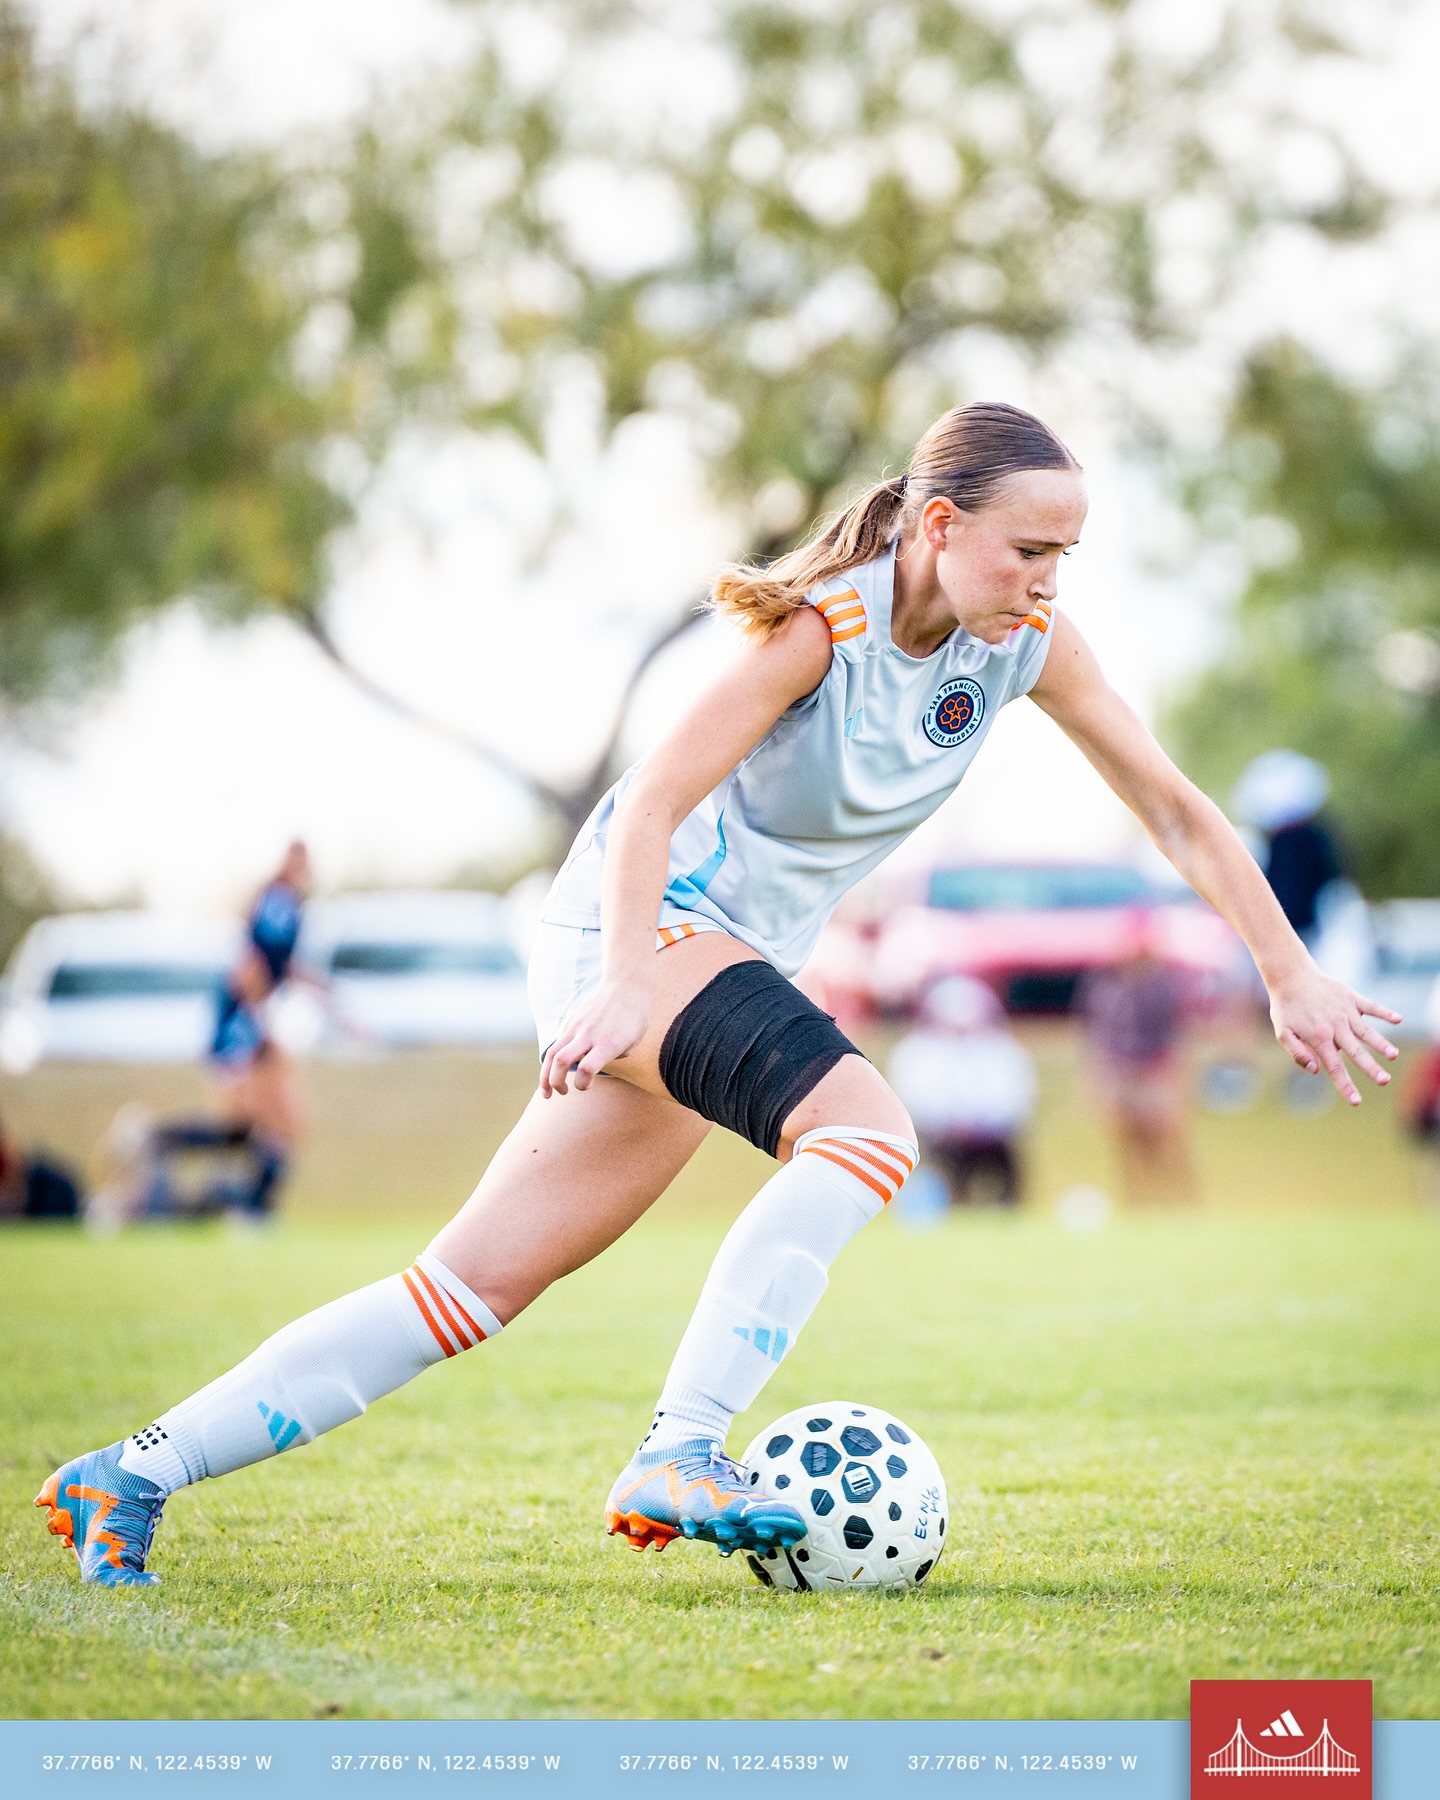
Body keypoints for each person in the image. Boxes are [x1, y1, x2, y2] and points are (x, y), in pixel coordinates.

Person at [35, 402, 1400, 1588]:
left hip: (705, 964)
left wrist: (1288, 970)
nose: (1049, 581)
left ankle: (130, 1472)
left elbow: (1174, 806)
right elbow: (655, 803)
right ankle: (680, 1455)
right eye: (1029, 550)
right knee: (868, 1132)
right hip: (633, 935)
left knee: (462, 1294)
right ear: (935, 524)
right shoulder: (828, 627)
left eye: (1067, 556)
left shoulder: (1029, 647)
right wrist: (628, 978)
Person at [87, 843, 314, 1231]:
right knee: (277, 1120)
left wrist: (331, 999)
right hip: (242, 1023)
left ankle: (152, 1138)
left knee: (246, 1128)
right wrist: (261, 1021)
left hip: (245, 1019)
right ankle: (250, 1210)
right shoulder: (278, 901)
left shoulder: (288, 905)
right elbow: (250, 966)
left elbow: (283, 965)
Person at [887, 976, 1034, 1206]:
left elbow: (1014, 1099)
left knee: (1008, 1159)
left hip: (990, 1137)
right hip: (940, 1136)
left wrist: (982, 1123)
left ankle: (1008, 1204)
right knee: (940, 1156)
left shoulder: (1000, 1049)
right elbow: (914, 1100)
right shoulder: (917, 1052)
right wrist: (950, 1122)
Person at [1081, 913, 1197, 1207]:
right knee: (1127, 1142)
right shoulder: (1106, 986)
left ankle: (1178, 1201)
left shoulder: (1165, 986)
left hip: (1153, 1069)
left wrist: (1171, 1073)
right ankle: (1138, 1202)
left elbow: (1175, 1035)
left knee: (1164, 1139)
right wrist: (1101, 1077)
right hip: (1121, 1070)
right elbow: (1099, 1036)